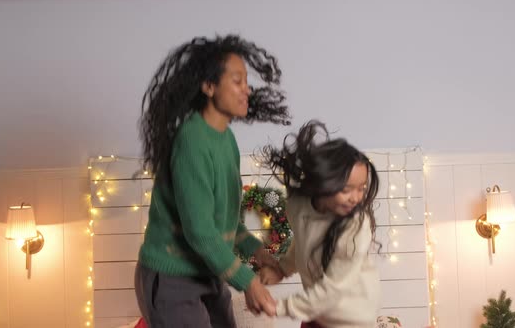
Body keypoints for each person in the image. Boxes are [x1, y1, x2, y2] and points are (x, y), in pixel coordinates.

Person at [135, 34, 291, 327]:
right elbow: (202, 233)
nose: (247, 89)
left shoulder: (225, 139)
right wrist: (249, 283)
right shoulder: (192, 141)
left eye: (247, 81)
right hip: (172, 279)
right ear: (208, 86)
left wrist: (259, 254)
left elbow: (228, 223)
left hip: (206, 273)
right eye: (237, 80)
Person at [259, 121, 381, 328]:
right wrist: (282, 269)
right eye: (347, 189)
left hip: (351, 319)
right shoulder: (298, 206)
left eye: (361, 188)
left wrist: (280, 307)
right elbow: (303, 241)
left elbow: (333, 289)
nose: (356, 198)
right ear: (324, 183)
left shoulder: (356, 226)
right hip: (318, 312)